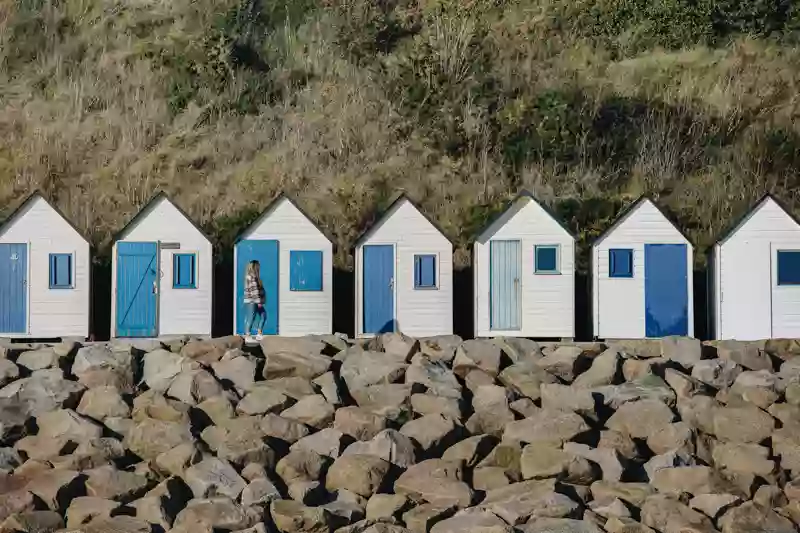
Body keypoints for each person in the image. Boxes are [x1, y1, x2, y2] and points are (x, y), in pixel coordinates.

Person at [243, 260, 266, 341]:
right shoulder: (251, 277)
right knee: (251, 318)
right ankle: (247, 335)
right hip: (252, 302)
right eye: (258, 266)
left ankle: (259, 334)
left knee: (263, 315)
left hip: (256, 301)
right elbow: (254, 291)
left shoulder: (256, 278)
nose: (259, 268)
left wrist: (262, 300)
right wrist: (258, 301)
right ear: (255, 267)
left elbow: (260, 290)